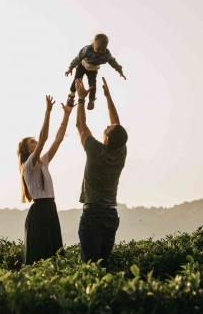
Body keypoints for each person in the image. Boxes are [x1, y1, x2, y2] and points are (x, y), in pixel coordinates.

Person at [75, 77, 128, 270]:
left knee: (90, 268)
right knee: (104, 266)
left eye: (106, 129)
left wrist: (81, 99)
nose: (106, 126)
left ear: (105, 139)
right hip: (111, 215)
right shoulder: (121, 151)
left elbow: (80, 125)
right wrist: (108, 97)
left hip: (94, 214)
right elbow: (117, 125)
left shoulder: (95, 150)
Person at [17, 96, 75, 265]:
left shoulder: (43, 163)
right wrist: (48, 112)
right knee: (38, 257)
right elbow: (44, 138)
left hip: (50, 208)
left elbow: (58, 139)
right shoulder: (28, 165)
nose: (36, 142)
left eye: (35, 141)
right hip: (39, 211)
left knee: (54, 255)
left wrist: (66, 115)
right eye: (32, 142)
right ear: (27, 149)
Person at [65, 33, 127, 111]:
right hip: (83, 65)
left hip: (93, 69)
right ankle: (71, 96)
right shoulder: (87, 50)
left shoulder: (106, 55)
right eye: (98, 49)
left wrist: (119, 71)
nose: (100, 52)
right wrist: (70, 68)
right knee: (77, 80)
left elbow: (113, 62)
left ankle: (91, 100)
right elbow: (78, 58)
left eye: (103, 50)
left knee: (92, 84)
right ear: (93, 44)